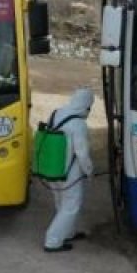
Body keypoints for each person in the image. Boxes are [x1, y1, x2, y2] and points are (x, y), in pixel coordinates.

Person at [44, 87, 94, 253]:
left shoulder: (56, 113)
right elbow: (82, 153)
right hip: (68, 172)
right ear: (86, 105)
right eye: (89, 108)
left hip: (51, 167)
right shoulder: (78, 124)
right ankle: (53, 241)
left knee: (61, 202)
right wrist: (89, 171)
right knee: (71, 205)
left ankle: (68, 233)